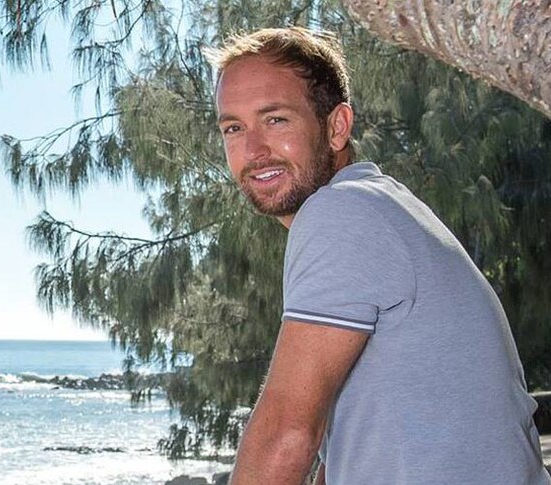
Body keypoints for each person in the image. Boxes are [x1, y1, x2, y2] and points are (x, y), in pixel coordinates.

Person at [207, 27, 550, 485]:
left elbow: (286, 436)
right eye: (234, 127)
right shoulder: (380, 206)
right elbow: (348, 451)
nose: (252, 150)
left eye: (276, 120)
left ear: (336, 127)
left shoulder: (341, 212)